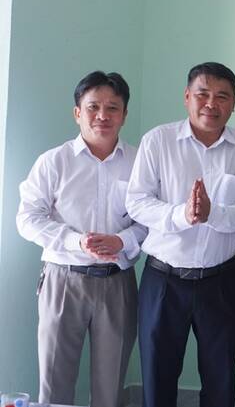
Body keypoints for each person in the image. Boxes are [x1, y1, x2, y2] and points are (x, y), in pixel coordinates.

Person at [126, 62, 235, 407]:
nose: (211, 104)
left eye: (222, 97)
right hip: (164, 280)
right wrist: (182, 215)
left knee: (220, 384)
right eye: (202, 94)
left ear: (233, 103)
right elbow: (137, 202)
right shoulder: (158, 141)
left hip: (223, 281)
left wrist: (212, 213)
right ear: (187, 97)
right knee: (157, 381)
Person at [17, 71, 145, 407]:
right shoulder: (53, 162)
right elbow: (27, 218)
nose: (103, 116)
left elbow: (151, 220)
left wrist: (124, 241)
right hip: (63, 280)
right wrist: (75, 241)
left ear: (124, 114)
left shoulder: (140, 163)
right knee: (55, 382)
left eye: (112, 108)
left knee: (110, 387)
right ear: (77, 112)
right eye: (93, 107)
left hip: (117, 281)